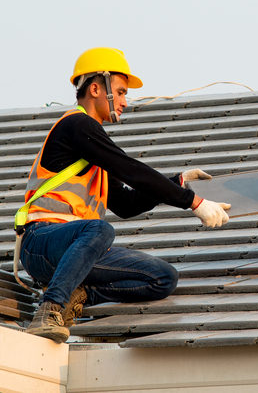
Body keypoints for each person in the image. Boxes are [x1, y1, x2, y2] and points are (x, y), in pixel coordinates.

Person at [19, 47, 230, 343]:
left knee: (163, 277)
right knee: (100, 229)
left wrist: (178, 182)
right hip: (41, 243)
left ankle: (76, 295)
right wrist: (193, 201)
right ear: (96, 88)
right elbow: (131, 169)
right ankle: (49, 308)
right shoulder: (77, 126)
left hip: (78, 252)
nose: (125, 102)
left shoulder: (92, 144)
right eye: (119, 92)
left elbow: (127, 205)